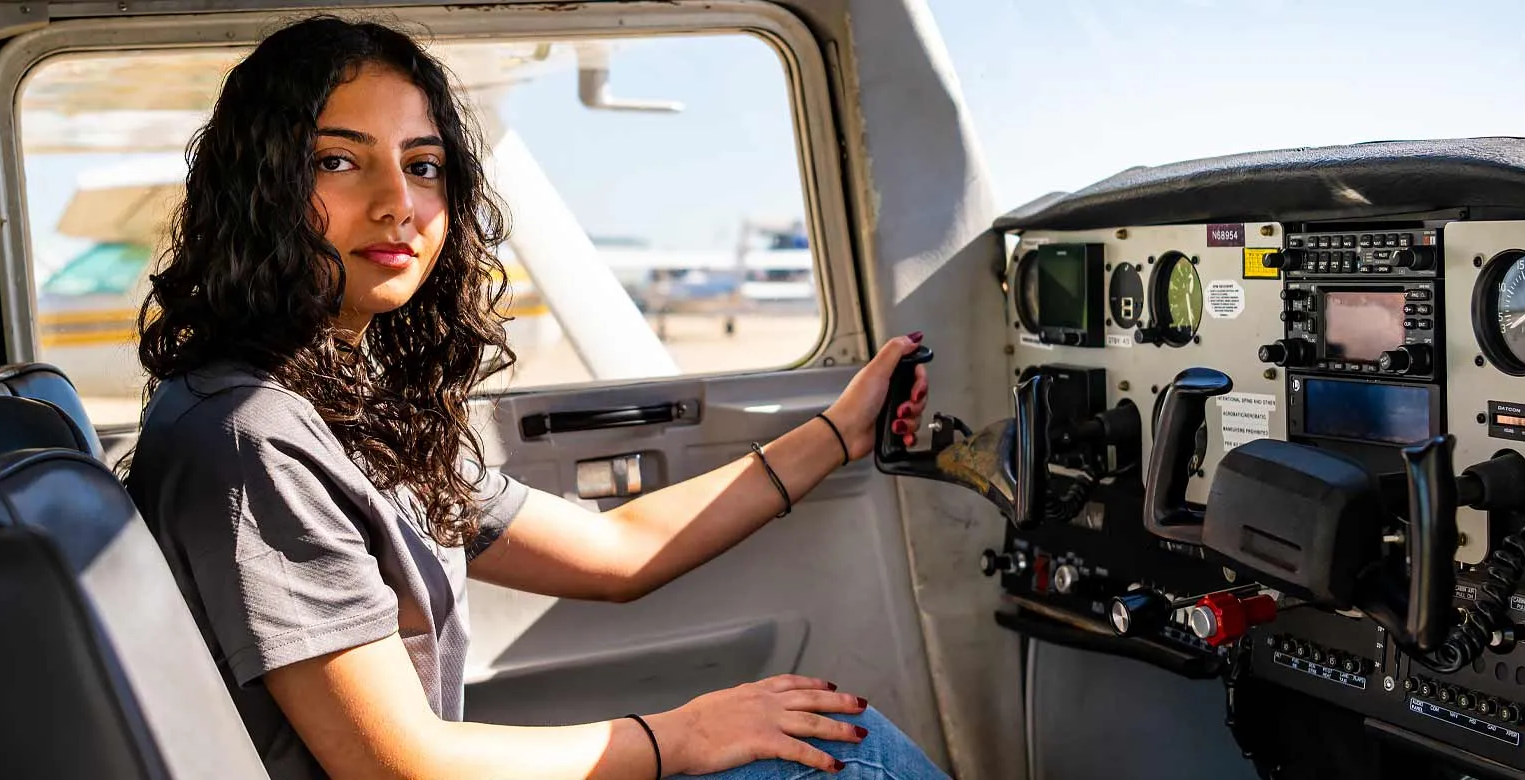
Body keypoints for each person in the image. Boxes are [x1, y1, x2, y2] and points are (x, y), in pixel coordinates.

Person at [124, 15, 946, 780]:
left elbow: (617, 554)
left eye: (423, 166)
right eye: (337, 161)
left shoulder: (345, 404)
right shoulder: (250, 434)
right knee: (847, 754)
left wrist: (840, 434)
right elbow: (395, 764)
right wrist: (682, 736)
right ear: (256, 188)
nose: (399, 204)